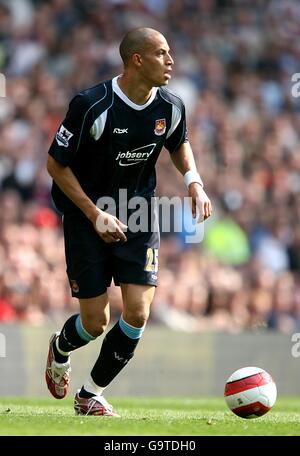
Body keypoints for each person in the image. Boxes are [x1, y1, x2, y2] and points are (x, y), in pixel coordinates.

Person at [45, 27, 212, 417]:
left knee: (137, 312)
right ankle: (61, 347)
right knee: (95, 321)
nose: (170, 61)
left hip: (138, 211)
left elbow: (178, 142)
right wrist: (95, 213)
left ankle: (90, 395)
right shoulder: (92, 104)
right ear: (137, 59)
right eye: (162, 54)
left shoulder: (171, 105)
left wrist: (195, 183)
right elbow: (55, 163)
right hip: (86, 214)